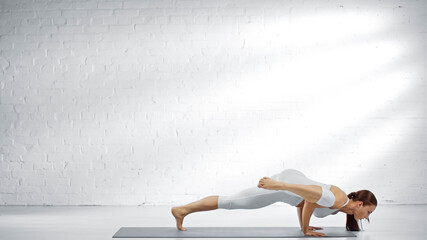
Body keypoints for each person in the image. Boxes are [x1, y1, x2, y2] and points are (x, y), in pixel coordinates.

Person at [171, 169, 377, 237]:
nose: (367, 217)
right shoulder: (337, 199)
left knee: (234, 201)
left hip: (293, 184)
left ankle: (184, 211)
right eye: (368, 212)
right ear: (359, 204)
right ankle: (182, 210)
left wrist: (304, 225)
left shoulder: (338, 208)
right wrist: (278, 185)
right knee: (233, 202)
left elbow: (306, 202)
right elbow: (309, 194)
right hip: (289, 186)